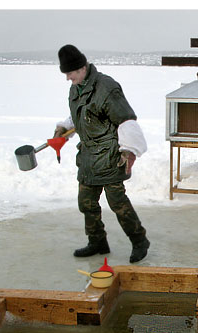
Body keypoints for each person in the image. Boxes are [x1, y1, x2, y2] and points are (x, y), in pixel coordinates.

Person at [54, 44, 150, 263]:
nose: (68, 78)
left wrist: (129, 151)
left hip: (110, 156)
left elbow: (126, 119)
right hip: (88, 157)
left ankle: (139, 241)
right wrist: (64, 129)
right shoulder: (76, 88)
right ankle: (97, 241)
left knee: (118, 202)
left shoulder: (106, 87)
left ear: (81, 68)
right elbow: (81, 115)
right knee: (86, 203)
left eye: (70, 73)